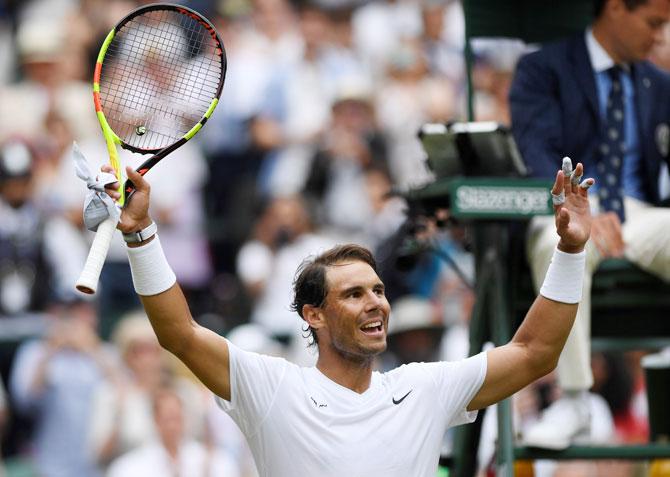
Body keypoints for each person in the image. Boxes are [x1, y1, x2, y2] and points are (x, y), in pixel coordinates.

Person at [101, 157, 593, 476]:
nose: (376, 302)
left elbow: (535, 353)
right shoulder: (271, 387)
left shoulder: (424, 389)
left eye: (378, 290)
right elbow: (179, 334)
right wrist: (141, 232)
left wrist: (569, 251)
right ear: (313, 314)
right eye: (354, 294)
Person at [509, 0, 670, 449]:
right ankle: (575, 399)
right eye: (653, 23)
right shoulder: (543, 69)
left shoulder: (659, 83)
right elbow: (536, 154)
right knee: (557, 240)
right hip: (570, 204)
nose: (660, 37)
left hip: (644, 215)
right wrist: (581, 210)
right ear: (616, 8)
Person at [107, 386, 240, 477]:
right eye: (167, 419)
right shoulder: (129, 467)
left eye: (177, 418)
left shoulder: (212, 460)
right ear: (155, 420)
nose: (172, 426)